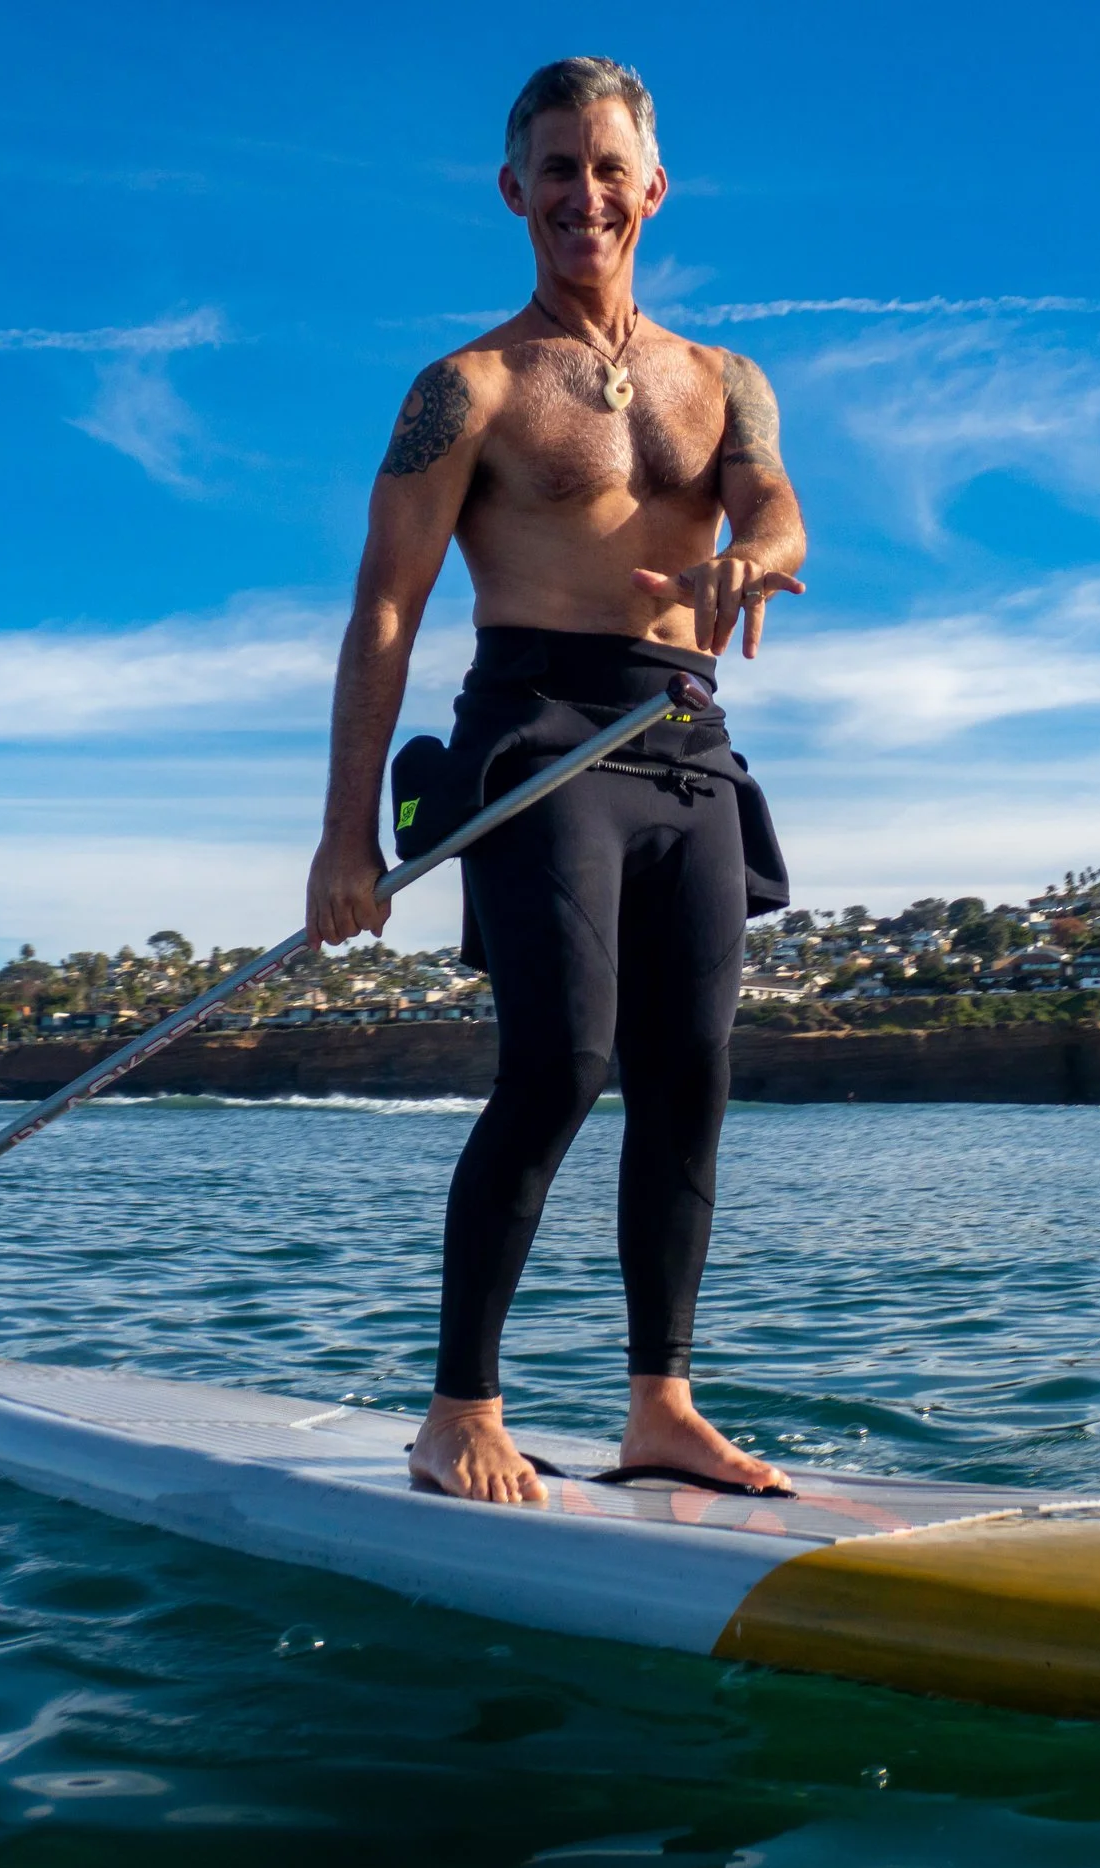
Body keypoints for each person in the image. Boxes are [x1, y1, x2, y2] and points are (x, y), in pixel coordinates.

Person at [303, 57, 807, 1505]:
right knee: (561, 1062)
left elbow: (774, 511)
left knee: (691, 1082)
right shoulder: (467, 388)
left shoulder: (726, 382)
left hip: (687, 745)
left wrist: (751, 560)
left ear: (653, 186)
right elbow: (385, 611)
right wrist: (347, 839)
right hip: (538, 738)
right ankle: (461, 1404)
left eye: (608, 167)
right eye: (554, 168)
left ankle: (662, 1403)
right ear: (512, 188)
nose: (582, 193)